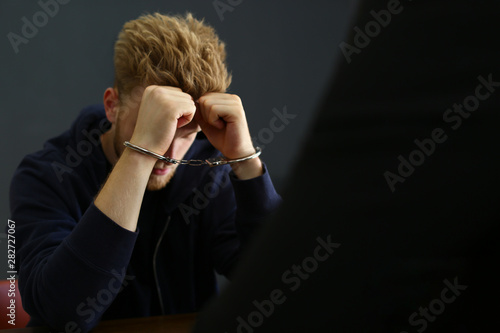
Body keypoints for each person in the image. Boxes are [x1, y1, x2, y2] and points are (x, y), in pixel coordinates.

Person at [9, 12, 281, 332]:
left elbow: (280, 282)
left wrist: (246, 160)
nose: (167, 155)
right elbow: (63, 314)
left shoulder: (208, 172)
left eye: (186, 132)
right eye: (151, 125)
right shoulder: (44, 176)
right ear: (112, 105)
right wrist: (139, 155)